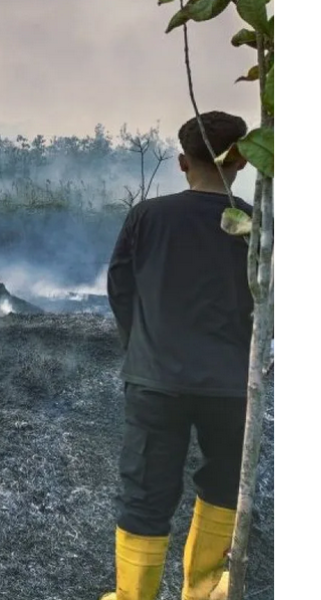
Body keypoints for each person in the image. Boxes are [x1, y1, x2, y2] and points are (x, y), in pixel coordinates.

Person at [102, 111, 253, 600]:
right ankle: (205, 588)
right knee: (225, 481)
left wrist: (139, 345)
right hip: (231, 386)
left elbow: (120, 288)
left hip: (155, 382)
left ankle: (133, 596)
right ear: (241, 162)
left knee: (146, 490)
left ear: (183, 162)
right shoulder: (254, 224)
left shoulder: (148, 216)